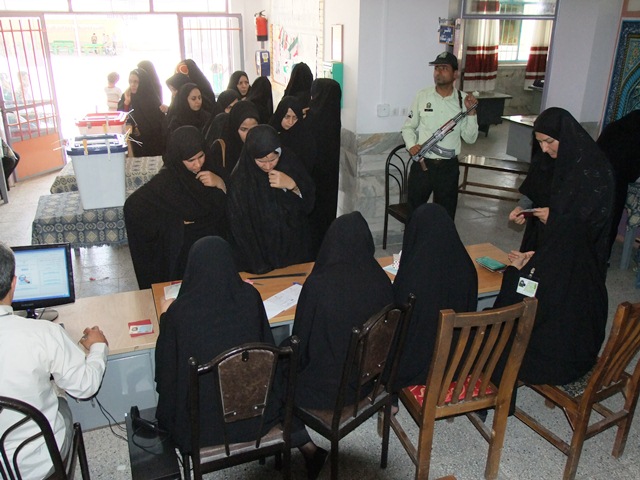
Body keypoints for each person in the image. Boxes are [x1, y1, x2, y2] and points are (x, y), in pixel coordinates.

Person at [155, 236, 327, 478]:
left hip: (204, 429)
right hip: (259, 416)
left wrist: (165, 317)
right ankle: (307, 447)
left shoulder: (179, 314)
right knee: (278, 377)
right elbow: (267, 351)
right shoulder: (250, 297)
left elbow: (165, 376)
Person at [0, 242, 108, 479]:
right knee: (60, 402)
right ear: (14, 283)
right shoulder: (42, 333)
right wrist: (98, 347)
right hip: (37, 465)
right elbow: (85, 387)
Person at [291, 211, 394, 409]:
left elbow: (300, 342)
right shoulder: (381, 280)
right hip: (366, 382)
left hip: (324, 392)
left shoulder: (318, 285)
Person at [492, 219, 607, 385]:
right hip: (582, 361)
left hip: (548, 368)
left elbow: (506, 309)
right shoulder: (594, 277)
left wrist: (515, 270)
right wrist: (537, 263)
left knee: (491, 334)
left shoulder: (543, 281)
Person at [508, 107, 614, 277]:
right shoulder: (545, 157)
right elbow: (534, 186)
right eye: (539, 142)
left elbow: (594, 217)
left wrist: (557, 219)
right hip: (541, 234)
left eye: (549, 141)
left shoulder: (592, 167)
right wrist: (522, 208)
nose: (544, 148)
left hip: (572, 246)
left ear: (565, 136)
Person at [124, 126, 228, 289]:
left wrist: (220, 183)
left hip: (212, 254)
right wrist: (173, 223)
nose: (198, 164)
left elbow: (225, 209)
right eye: (191, 160)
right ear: (178, 159)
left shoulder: (211, 169)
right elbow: (132, 207)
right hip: (182, 259)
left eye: (201, 156)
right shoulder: (166, 182)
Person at [392, 203, 478, 389]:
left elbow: (397, 320)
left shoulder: (413, 276)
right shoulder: (467, 267)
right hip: (456, 362)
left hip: (417, 368)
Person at [227, 124, 315, 274]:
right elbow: (240, 228)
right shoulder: (240, 179)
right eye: (261, 161)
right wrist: (259, 266)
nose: (268, 166)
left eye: (273, 159)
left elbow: (308, 204)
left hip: (295, 252)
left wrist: (293, 185)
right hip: (260, 258)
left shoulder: (289, 162)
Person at [401, 51, 478, 220]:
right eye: (436, 68)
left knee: (445, 215)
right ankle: (413, 239)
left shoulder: (464, 100)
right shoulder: (422, 96)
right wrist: (411, 145)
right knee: (414, 213)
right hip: (423, 165)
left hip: (448, 168)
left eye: (444, 68)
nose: (438, 72)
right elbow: (408, 127)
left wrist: (471, 113)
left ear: (455, 73)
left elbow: (470, 138)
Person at [596, 109, 640, 257]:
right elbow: (632, 171)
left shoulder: (614, 128)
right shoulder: (636, 136)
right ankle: (602, 258)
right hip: (616, 183)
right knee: (611, 220)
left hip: (595, 178)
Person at [306, 78, 342, 255]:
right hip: (330, 174)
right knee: (327, 210)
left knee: (313, 214)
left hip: (313, 174)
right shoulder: (334, 116)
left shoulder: (311, 117)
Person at [117, 68, 166, 157]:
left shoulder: (151, 98)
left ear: (142, 82)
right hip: (134, 142)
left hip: (152, 143)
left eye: (136, 82)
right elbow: (120, 117)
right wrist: (126, 103)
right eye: (130, 81)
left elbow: (157, 122)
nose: (132, 85)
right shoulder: (127, 96)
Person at [208, 100, 260, 175]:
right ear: (234, 128)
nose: (249, 134)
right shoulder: (220, 150)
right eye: (244, 129)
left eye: (254, 129)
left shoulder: (263, 146)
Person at [269, 95, 317, 174]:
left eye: (295, 118)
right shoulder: (270, 133)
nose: (290, 122)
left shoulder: (305, 139)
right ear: (280, 114)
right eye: (287, 117)